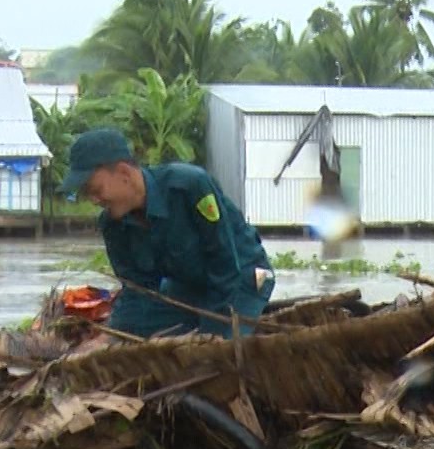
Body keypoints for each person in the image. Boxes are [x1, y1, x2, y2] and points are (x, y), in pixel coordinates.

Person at [61, 128, 275, 340]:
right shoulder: (112, 225)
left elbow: (226, 266)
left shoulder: (189, 186)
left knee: (213, 349)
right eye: (87, 194)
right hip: (188, 289)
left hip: (242, 279)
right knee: (131, 329)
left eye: (95, 189)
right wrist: (112, 337)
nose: (94, 200)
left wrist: (209, 333)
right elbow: (137, 291)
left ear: (124, 173)